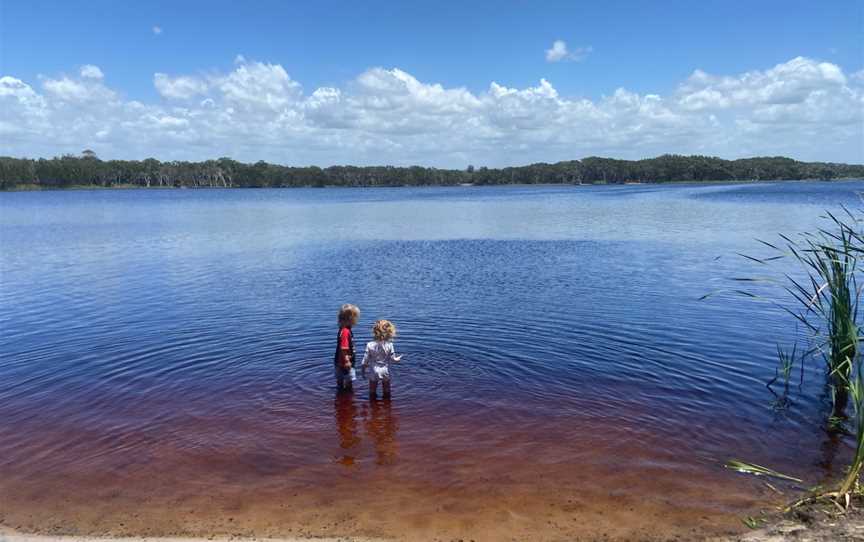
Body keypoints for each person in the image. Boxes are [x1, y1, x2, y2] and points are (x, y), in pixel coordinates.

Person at [361, 319, 402, 399]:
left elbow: (365, 361)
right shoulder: (390, 345)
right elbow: (393, 358)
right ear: (389, 332)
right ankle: (387, 405)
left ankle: (373, 407)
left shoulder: (370, 345)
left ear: (375, 332)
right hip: (385, 370)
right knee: (387, 390)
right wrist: (398, 359)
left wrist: (363, 370)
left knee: (372, 391)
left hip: (374, 370)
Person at [334, 304, 360, 392]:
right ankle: (348, 401)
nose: (356, 321)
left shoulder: (342, 329)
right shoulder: (345, 331)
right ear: (350, 319)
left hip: (338, 361)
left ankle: (341, 400)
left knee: (340, 383)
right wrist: (347, 361)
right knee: (349, 384)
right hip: (346, 363)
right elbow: (344, 348)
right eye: (355, 318)